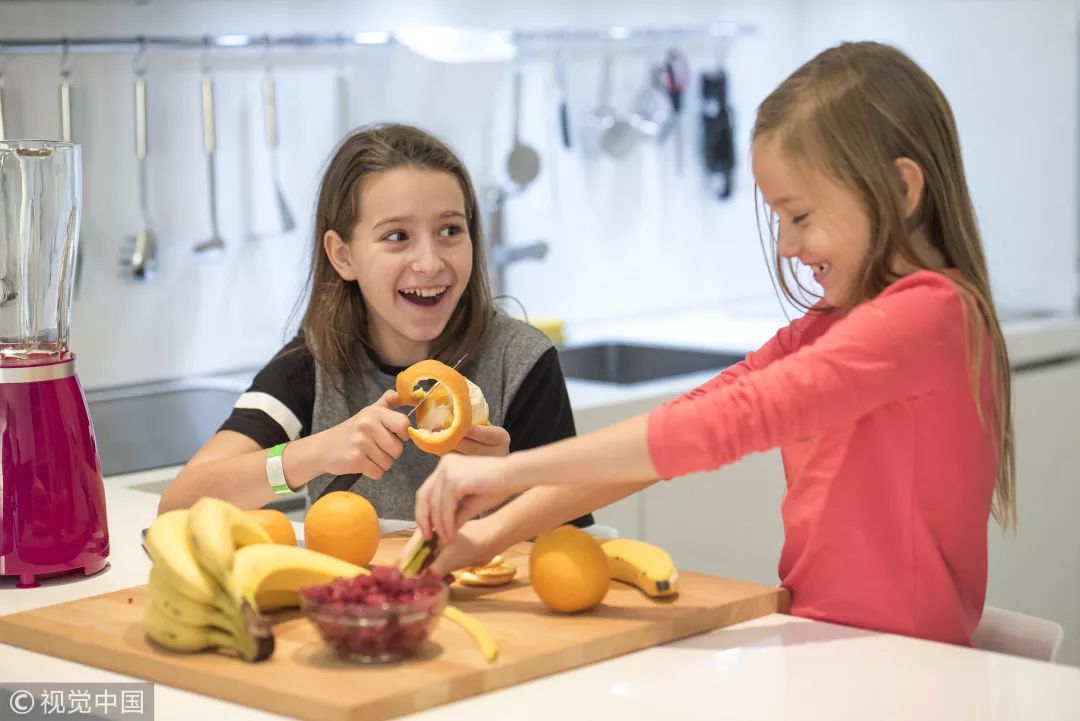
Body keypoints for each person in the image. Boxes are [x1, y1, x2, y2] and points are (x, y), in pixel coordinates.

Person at [410, 42, 1015, 647]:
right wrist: (488, 538)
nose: (785, 246)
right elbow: (681, 427)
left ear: (901, 189)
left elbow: (715, 428)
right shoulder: (835, 324)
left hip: (902, 671)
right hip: (828, 648)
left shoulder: (930, 317)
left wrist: (503, 474)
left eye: (800, 216)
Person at [158, 123, 594, 530]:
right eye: (397, 236)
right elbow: (179, 505)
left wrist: (510, 481)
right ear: (342, 255)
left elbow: (570, 543)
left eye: (449, 230)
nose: (429, 263)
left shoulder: (520, 361)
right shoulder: (314, 362)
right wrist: (314, 452)